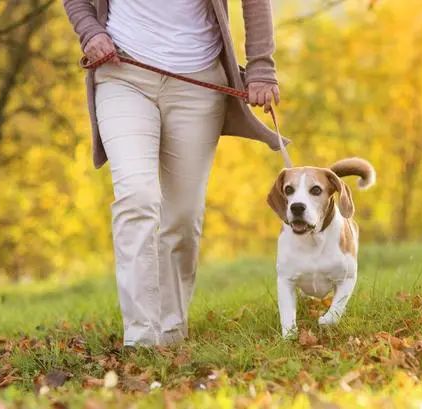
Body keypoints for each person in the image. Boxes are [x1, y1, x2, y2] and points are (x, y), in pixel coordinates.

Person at [62, 0, 284, 346]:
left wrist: (261, 68)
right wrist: (90, 31)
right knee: (137, 196)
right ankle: (141, 339)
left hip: (197, 83)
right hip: (123, 73)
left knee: (182, 216)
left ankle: (170, 332)